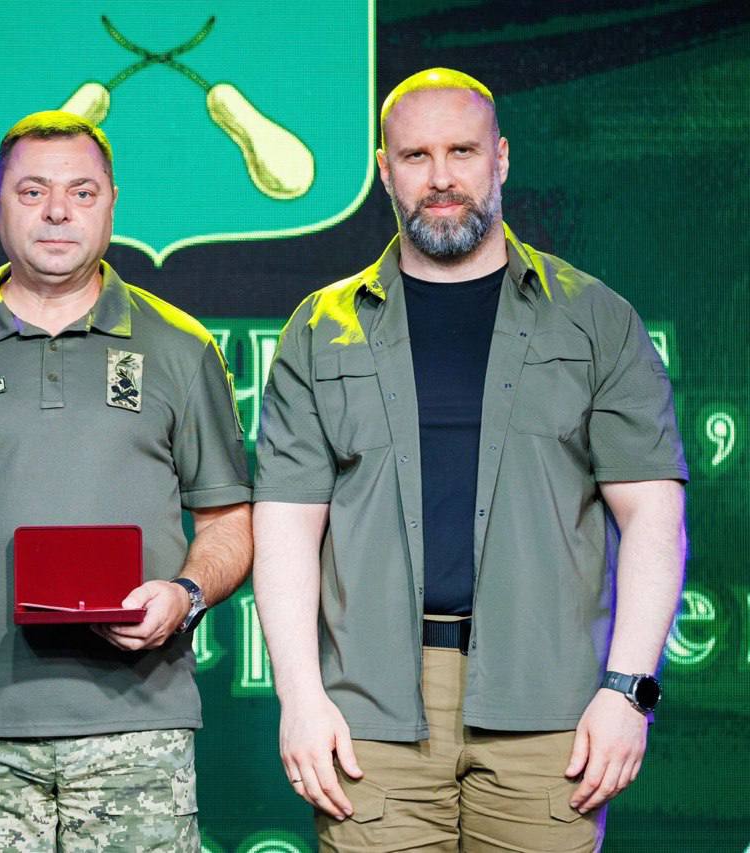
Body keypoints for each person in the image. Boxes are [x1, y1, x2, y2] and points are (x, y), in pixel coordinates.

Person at [253, 68, 687, 851]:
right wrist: (301, 697)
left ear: (502, 158)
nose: (441, 176)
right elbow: (285, 525)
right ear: (385, 170)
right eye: (415, 156)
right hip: (370, 712)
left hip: (551, 705)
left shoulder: (595, 319)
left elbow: (654, 516)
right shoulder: (318, 330)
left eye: (462, 151)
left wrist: (628, 690)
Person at [0, 111, 252, 851]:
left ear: (111, 203)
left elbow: (229, 523)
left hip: (139, 733)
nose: (58, 212)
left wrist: (186, 594)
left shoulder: (182, 348)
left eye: (82, 192)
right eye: (33, 191)